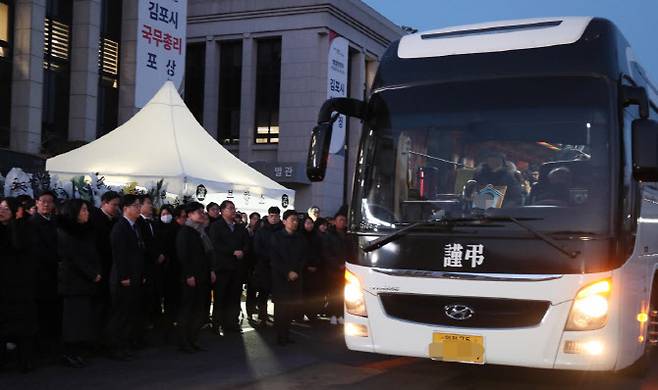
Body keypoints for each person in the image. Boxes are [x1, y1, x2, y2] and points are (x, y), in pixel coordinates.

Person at [57, 199, 102, 368]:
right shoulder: (65, 231)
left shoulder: (87, 230)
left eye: (87, 210)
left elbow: (92, 253)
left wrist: (97, 272)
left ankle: (78, 351)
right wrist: (92, 274)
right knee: (72, 321)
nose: (87, 213)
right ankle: (69, 352)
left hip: (86, 282)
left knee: (82, 320)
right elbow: (73, 257)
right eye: (83, 210)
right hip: (72, 282)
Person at [106, 194, 146, 360]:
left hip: (135, 276)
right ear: (126, 208)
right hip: (123, 278)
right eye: (136, 206)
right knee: (120, 314)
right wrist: (124, 276)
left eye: (139, 205)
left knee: (129, 313)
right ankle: (115, 348)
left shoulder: (135, 226)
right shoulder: (120, 227)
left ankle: (124, 344)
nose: (139, 208)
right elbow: (119, 254)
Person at [0, 197, 37, 372]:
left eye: (6, 208)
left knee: (23, 326)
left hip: (20, 285)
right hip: (4, 285)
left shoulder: (24, 229)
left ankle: (25, 360)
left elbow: (20, 247)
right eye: (0, 208)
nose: (2, 211)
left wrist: (16, 223)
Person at [175, 202, 216, 352]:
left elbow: (207, 255)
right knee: (188, 310)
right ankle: (183, 342)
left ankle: (193, 339)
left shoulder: (201, 232)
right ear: (190, 214)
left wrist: (211, 270)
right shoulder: (185, 232)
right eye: (199, 212)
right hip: (191, 277)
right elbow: (184, 256)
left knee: (199, 310)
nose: (202, 214)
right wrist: (189, 275)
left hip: (203, 276)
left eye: (202, 211)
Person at [28, 190, 61, 357]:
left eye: (49, 201)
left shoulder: (56, 222)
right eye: (43, 201)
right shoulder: (32, 223)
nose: (46, 204)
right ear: (37, 202)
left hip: (56, 273)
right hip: (41, 274)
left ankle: (51, 346)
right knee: (42, 312)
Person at [208, 200, 249, 334]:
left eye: (234, 208)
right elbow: (215, 244)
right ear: (222, 211)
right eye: (230, 208)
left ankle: (232, 323)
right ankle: (216, 324)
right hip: (222, 267)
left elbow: (246, 243)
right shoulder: (216, 226)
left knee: (234, 297)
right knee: (220, 297)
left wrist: (243, 251)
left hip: (237, 268)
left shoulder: (239, 227)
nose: (233, 210)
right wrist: (232, 251)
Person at [270, 210, 307, 345]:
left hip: (296, 277)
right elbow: (274, 258)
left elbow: (303, 257)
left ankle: (287, 334)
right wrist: (287, 272)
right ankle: (280, 336)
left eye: (297, 220)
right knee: (281, 308)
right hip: (281, 278)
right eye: (292, 220)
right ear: (284, 221)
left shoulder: (300, 238)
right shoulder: (276, 237)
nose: (295, 222)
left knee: (291, 308)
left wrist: (296, 271)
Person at [89, 191, 120, 348]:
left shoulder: (115, 221)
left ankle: (107, 341)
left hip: (111, 269)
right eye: (113, 204)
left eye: (117, 205)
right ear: (104, 203)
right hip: (100, 270)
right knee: (99, 309)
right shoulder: (95, 219)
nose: (116, 208)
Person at [253, 206, 283, 325]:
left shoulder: (283, 230)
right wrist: (268, 258)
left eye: (276, 216)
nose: (274, 218)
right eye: (272, 216)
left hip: (279, 267)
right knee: (263, 292)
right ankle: (262, 316)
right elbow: (257, 248)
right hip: (264, 266)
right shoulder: (261, 230)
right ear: (268, 216)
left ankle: (279, 318)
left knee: (278, 293)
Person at [162, 205, 186, 338]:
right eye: (183, 217)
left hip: (180, 271)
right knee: (171, 303)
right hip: (172, 272)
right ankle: (168, 331)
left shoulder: (184, 230)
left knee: (178, 303)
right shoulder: (171, 231)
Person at [323, 212, 350, 325]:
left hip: (346, 268)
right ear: (335, 221)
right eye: (340, 220)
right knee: (333, 293)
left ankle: (341, 314)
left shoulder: (348, 234)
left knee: (344, 293)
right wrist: (337, 264)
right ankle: (333, 314)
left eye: (344, 220)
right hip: (333, 269)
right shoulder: (329, 234)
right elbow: (326, 252)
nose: (342, 222)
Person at [300, 214, 323, 322]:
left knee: (314, 293)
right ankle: (300, 314)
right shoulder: (299, 236)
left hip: (316, 269)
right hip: (303, 270)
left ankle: (312, 313)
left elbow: (320, 252)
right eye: (307, 223)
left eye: (311, 223)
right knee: (303, 293)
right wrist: (306, 265)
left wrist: (316, 265)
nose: (310, 225)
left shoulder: (317, 236)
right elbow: (300, 254)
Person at [245, 212, 261, 321]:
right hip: (249, 263)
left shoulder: (259, 232)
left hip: (258, 263)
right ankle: (250, 310)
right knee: (251, 288)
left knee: (258, 288)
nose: (255, 221)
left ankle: (255, 307)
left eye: (257, 219)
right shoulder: (246, 231)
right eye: (253, 218)